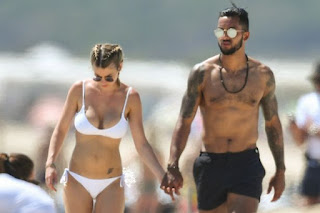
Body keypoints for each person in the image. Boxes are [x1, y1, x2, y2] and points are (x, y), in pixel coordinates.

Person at [160, 6, 286, 213]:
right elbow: (184, 121)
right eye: (221, 31)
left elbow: (272, 123)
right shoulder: (202, 73)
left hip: (246, 161)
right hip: (211, 162)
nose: (225, 36)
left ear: (245, 35)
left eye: (232, 31)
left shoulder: (262, 75)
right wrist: (173, 164)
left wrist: (280, 170)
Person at [45, 43, 165, 213]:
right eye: (97, 76)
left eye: (109, 77)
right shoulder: (79, 90)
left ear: (120, 67)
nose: (103, 82)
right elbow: (61, 129)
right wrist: (50, 163)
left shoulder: (130, 97)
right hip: (78, 178)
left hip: (111, 181)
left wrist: (162, 175)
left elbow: (141, 144)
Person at [289, 61, 320, 206]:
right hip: (314, 164)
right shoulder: (307, 101)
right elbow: (300, 141)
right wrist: (294, 127)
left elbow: (309, 129)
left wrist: (312, 128)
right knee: (309, 202)